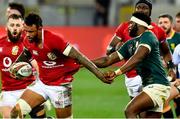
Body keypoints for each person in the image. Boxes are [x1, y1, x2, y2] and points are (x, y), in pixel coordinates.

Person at [10, 13, 111, 118]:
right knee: (15, 112)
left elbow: (79, 57)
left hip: (60, 86)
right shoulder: (27, 40)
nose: (27, 34)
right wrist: (15, 65)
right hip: (42, 84)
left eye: (31, 31)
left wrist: (100, 75)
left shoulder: (53, 40)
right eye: (26, 31)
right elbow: (26, 53)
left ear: (40, 28)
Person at [106, 0, 175, 117]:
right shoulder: (125, 27)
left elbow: (166, 51)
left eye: (145, 8)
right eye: (139, 8)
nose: (141, 10)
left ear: (150, 12)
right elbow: (109, 49)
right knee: (141, 114)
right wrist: (117, 48)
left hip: (151, 76)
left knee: (132, 110)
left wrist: (170, 67)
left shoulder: (157, 30)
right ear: (134, 10)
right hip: (131, 76)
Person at [3, 2, 48, 118]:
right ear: (6, 27)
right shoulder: (1, 44)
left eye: (18, 25)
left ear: (22, 27)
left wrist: (43, 90)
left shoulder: (28, 43)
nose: (15, 28)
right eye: (12, 25)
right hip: (9, 92)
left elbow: (38, 66)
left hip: (29, 89)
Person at [158, 13, 180, 118]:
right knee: (163, 102)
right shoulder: (156, 40)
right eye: (160, 23)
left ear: (171, 24)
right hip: (166, 79)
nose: (162, 25)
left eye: (165, 22)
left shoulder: (178, 38)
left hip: (178, 78)